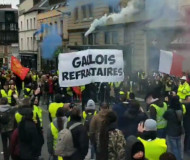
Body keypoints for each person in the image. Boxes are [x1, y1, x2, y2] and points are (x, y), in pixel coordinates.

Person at [163, 96, 184, 160]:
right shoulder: (180, 110)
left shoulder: (169, 111)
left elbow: (164, 116)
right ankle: (180, 158)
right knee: (179, 147)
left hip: (171, 131)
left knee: (174, 148)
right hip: (179, 131)